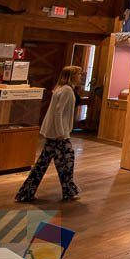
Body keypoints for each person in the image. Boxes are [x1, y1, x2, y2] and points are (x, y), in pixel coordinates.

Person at [15, 66, 82, 202]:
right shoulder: (67, 90)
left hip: (54, 132)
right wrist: (61, 132)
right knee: (67, 160)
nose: (80, 76)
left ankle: (27, 191)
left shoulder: (61, 89)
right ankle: (68, 190)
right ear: (72, 76)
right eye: (79, 74)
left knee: (45, 163)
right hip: (58, 134)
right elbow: (58, 112)